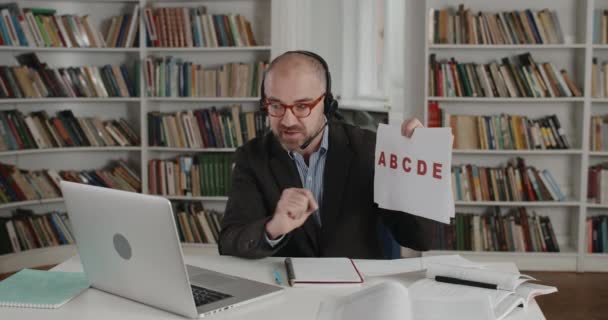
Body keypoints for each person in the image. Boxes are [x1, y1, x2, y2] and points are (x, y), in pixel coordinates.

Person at [219, 50, 441, 259]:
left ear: (326, 104)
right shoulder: (252, 157)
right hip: (286, 291)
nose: (287, 121)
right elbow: (229, 242)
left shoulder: (370, 149)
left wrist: (415, 168)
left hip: (359, 291)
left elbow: (420, 239)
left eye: (302, 106)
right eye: (276, 106)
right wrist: (273, 228)